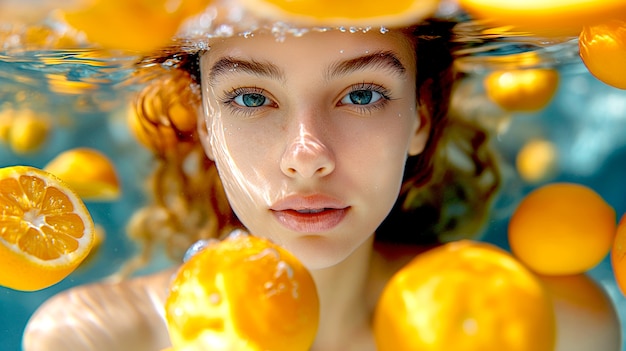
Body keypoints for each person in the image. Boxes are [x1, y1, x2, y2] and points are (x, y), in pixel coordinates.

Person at [22, 15, 509, 351]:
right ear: (206, 124)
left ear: (419, 116)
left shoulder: (519, 328)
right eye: (252, 99)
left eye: (361, 93)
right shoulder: (97, 339)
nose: (307, 157)